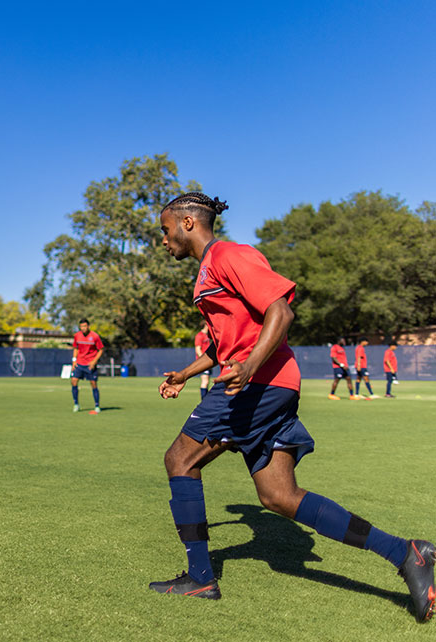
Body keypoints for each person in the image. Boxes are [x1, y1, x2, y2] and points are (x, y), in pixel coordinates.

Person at [150, 192, 435, 615]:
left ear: (187, 222)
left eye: (165, 228)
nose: (163, 238)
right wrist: (186, 374)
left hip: (259, 384)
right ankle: (406, 553)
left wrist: (248, 367)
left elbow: (279, 313)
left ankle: (200, 579)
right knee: (279, 496)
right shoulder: (209, 269)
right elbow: (225, 342)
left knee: (180, 460)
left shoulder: (229, 255)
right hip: (269, 383)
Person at [70, 319, 104, 414]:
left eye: (85, 326)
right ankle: (76, 404)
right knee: (73, 381)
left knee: (93, 384)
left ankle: (97, 406)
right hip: (79, 363)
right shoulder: (77, 336)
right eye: (81, 327)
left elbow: (100, 350)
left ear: (88, 326)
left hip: (89, 365)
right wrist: (74, 360)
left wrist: (94, 361)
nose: (83, 328)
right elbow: (76, 348)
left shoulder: (95, 336)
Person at [194, 327, 215, 399]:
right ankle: (204, 399)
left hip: (209, 361)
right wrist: (203, 361)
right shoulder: (199, 335)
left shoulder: (208, 335)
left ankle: (205, 398)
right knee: (205, 381)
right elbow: (198, 349)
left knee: (207, 381)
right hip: (204, 362)